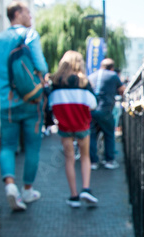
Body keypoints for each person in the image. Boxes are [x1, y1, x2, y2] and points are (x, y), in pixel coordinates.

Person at [0, 1, 48, 211]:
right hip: (31, 101)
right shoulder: (30, 35)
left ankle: (10, 186)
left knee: (8, 146)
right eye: (28, 12)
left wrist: (7, 78)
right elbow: (41, 66)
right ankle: (28, 190)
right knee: (32, 147)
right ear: (17, 13)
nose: (31, 17)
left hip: (7, 104)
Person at [48, 51, 98, 207]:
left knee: (69, 159)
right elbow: (93, 104)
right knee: (85, 156)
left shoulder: (56, 82)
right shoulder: (84, 82)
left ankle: (74, 196)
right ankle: (86, 188)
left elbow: (51, 104)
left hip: (64, 126)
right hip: (82, 124)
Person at [88, 58, 125, 170]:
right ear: (112, 67)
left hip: (92, 110)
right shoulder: (113, 75)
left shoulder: (92, 76)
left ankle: (93, 162)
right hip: (106, 109)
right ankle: (109, 160)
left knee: (92, 135)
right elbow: (122, 89)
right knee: (109, 135)